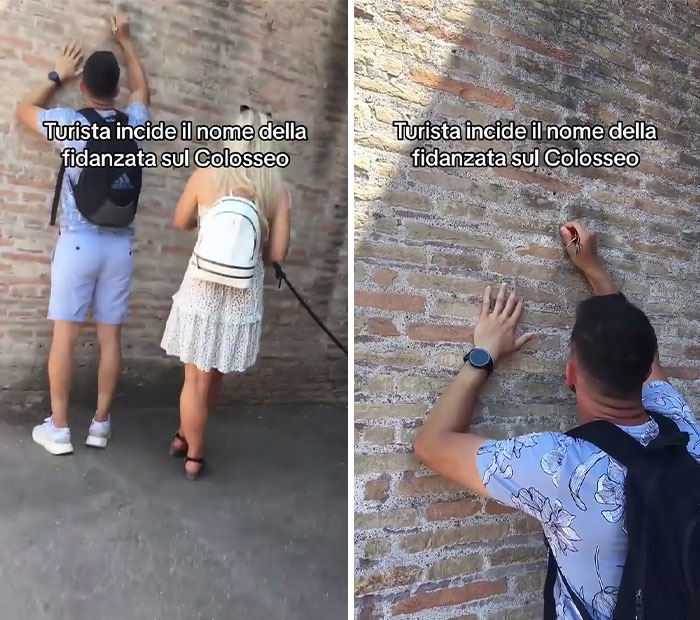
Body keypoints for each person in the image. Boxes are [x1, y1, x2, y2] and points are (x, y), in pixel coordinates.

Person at [414, 221, 700, 619]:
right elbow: (642, 351)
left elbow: (433, 444)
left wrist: (485, 355)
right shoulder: (683, 429)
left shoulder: (559, 466)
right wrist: (594, 267)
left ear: (570, 375)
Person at [16, 15, 150, 455]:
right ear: (116, 90)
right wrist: (127, 42)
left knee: (65, 337)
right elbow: (144, 91)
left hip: (77, 244)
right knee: (110, 337)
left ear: (83, 87)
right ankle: (100, 424)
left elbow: (23, 111)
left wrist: (56, 73)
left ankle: (58, 429)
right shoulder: (134, 125)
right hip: (120, 247)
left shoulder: (72, 126)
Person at [160, 106, 291, 480]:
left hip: (200, 286)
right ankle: (188, 436)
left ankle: (193, 453)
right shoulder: (275, 192)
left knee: (193, 378)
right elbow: (276, 255)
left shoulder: (207, 175)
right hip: (241, 295)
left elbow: (180, 220)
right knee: (212, 375)